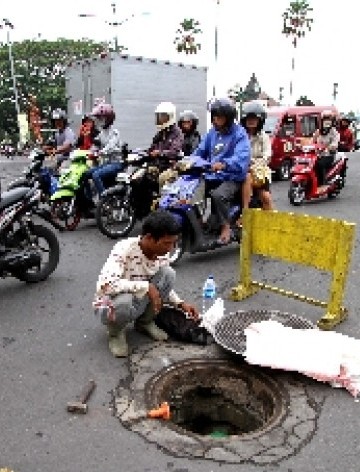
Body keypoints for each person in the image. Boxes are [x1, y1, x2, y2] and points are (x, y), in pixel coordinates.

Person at [93, 211, 199, 357]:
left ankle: (144, 323)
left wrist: (180, 304)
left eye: (174, 243)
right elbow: (106, 285)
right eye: (167, 243)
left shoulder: (162, 254)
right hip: (110, 304)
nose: (171, 248)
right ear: (149, 238)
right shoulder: (124, 249)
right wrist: (146, 286)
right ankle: (115, 333)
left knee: (168, 274)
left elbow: (162, 285)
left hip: (136, 299)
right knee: (125, 301)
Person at [193, 98, 251, 245]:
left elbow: (241, 158)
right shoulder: (212, 133)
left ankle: (226, 228)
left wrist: (224, 164)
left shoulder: (240, 134)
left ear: (229, 118)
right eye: (215, 116)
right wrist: (189, 161)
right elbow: (199, 151)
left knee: (218, 195)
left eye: (220, 117)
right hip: (212, 175)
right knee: (192, 190)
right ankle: (200, 223)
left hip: (232, 177)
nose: (216, 120)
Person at [239, 100, 273, 214]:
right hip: (240, 171)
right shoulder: (239, 136)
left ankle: (247, 212)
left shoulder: (264, 137)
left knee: (266, 197)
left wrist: (253, 163)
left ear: (260, 120)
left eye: (254, 118)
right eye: (249, 118)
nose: (251, 121)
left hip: (259, 173)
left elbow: (267, 156)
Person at [88, 103, 124, 195]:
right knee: (84, 174)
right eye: (98, 118)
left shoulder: (115, 132)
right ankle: (88, 201)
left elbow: (111, 146)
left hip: (116, 164)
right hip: (106, 164)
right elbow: (94, 146)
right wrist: (89, 152)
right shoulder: (101, 133)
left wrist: (101, 152)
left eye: (101, 118)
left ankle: (104, 199)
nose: (99, 120)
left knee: (96, 175)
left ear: (108, 118)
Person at [311, 109, 340, 186]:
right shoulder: (318, 132)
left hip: (329, 155)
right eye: (325, 119)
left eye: (329, 119)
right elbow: (312, 141)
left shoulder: (334, 132)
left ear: (332, 121)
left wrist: (331, 147)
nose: (327, 121)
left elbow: (335, 142)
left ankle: (322, 182)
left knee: (320, 164)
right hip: (317, 154)